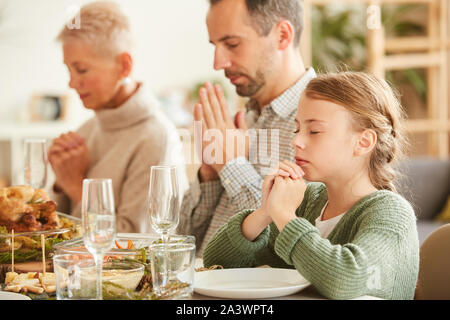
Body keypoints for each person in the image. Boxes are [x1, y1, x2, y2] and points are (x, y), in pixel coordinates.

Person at [202, 72, 420, 300]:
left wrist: (286, 216)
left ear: (363, 142)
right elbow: (217, 262)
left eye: (314, 131)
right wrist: (265, 212)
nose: (296, 140)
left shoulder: (391, 214)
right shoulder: (309, 202)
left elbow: (345, 280)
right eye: (297, 129)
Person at [177, 0, 316, 254]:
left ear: (282, 35)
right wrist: (210, 175)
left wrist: (232, 165)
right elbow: (182, 240)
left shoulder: (321, 124)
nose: (217, 63)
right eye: (215, 45)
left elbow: (288, 244)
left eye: (232, 44)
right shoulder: (242, 120)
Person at [49, 2, 188, 233]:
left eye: (81, 70)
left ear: (124, 66)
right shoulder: (87, 129)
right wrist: (59, 179)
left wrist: (75, 186)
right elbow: (57, 229)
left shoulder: (155, 138)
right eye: (69, 70)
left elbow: (136, 243)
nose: (72, 83)